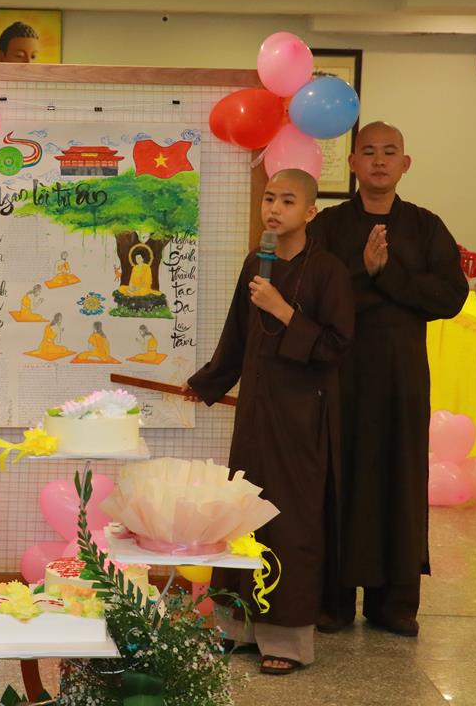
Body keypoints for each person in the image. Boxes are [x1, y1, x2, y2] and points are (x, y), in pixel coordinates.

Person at [183, 168, 353, 674]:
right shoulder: (255, 263)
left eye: (287, 201)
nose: (274, 209)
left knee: (289, 522)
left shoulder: (329, 271)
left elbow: (335, 347)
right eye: (269, 199)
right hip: (256, 415)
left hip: (302, 418)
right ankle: (236, 629)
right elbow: (237, 335)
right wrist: (209, 382)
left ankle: (285, 640)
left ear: (311, 212)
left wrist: (283, 310)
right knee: (242, 514)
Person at [308, 121, 467, 637]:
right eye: (369, 152)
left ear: (405, 164)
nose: (379, 161)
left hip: (401, 375)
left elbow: (450, 297)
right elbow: (312, 292)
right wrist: (366, 272)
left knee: (400, 477)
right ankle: (332, 600)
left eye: (390, 152)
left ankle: (393, 603)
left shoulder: (426, 226)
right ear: (353, 163)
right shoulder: (329, 226)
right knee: (338, 478)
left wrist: (385, 275)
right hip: (342, 370)